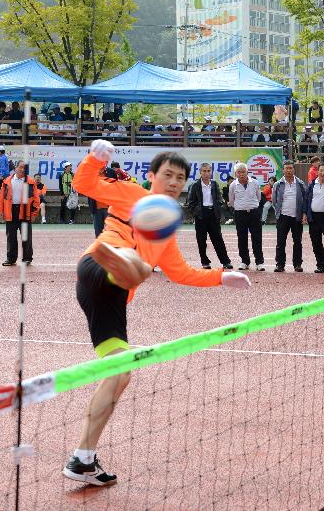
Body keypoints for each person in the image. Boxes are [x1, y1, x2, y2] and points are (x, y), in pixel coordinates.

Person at [62, 140, 250, 486]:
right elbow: (83, 184)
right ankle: (120, 259)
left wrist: (223, 276)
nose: (175, 181)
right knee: (137, 268)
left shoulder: (166, 233)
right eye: (168, 174)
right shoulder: (130, 193)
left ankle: (83, 458)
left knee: (121, 372)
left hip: (111, 299)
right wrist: (95, 158)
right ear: (151, 176)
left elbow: (181, 273)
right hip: (95, 268)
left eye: (181, 177)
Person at [186, 163, 233, 269]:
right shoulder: (195, 186)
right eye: (204, 171)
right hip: (201, 215)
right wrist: (197, 213)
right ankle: (205, 262)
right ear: (200, 172)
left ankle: (225, 261)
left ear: (211, 172)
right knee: (201, 240)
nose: (207, 173)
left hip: (213, 214)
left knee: (218, 239)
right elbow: (190, 203)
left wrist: (219, 206)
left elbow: (219, 198)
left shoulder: (214, 184)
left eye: (208, 171)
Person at [0, 160, 40, 266]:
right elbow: (1, 197)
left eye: (24, 168)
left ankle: (27, 258)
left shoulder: (31, 182)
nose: (22, 169)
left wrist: (34, 213)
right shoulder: (7, 181)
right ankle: (11, 259)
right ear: (15, 168)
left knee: (26, 236)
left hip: (26, 212)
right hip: (10, 211)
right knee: (11, 236)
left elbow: (36, 199)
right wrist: (0, 210)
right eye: (20, 167)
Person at [272, 160, 307, 272]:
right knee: (281, 241)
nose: (288, 170)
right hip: (283, 217)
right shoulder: (278, 184)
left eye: (291, 168)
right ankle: (280, 264)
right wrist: (278, 213)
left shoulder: (300, 184)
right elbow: (274, 200)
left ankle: (297, 264)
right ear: (283, 170)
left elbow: (305, 200)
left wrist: (303, 214)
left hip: (297, 217)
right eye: (286, 168)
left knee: (297, 241)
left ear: (294, 169)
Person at [229, 162, 265, 270]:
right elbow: (232, 201)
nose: (241, 174)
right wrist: (241, 207)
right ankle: (245, 261)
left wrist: (251, 206)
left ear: (247, 172)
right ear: (235, 174)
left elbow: (259, 197)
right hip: (240, 214)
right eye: (239, 172)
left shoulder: (254, 183)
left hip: (254, 213)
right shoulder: (232, 185)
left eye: (243, 172)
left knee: (257, 238)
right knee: (242, 238)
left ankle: (259, 262)